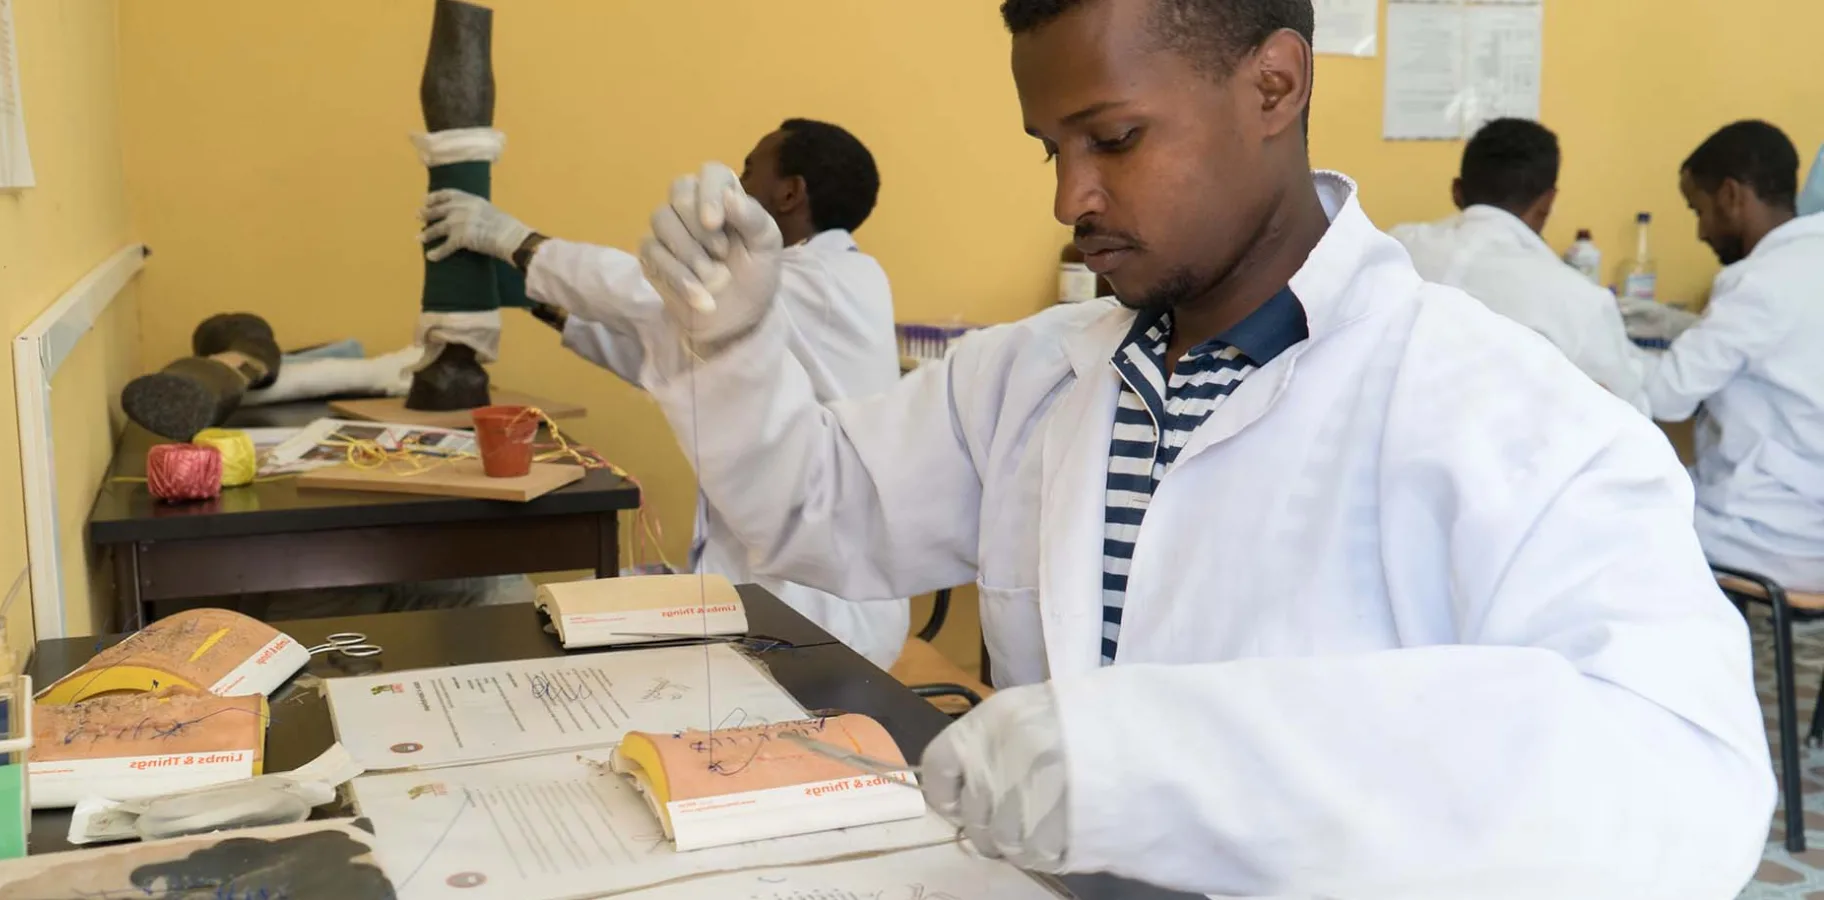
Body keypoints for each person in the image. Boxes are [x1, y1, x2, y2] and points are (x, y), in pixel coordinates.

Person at [628, 0, 1774, 895]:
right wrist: (732, 347)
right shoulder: (1035, 377)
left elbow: (1687, 783)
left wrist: (1164, 760)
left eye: (1114, 138)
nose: (1071, 195)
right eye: (1049, 149)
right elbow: (811, 511)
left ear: (1274, 84)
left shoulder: (1507, 414)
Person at [417, 119, 911, 668]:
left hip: (822, 617)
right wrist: (543, 303)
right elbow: (675, 357)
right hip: (781, 594)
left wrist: (514, 242)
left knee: (537, 624)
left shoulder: (824, 280)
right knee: (558, 612)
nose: (735, 184)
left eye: (748, 170)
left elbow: (650, 296)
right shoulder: (806, 290)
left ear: (789, 193)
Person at [1645, 120, 1824, 592]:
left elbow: (1666, 397)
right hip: (1811, 522)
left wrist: (1604, 368)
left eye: (1698, 209)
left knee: (1616, 508)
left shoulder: (1759, 281)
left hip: (1774, 539)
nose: (1701, 230)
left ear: (1730, 195)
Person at [1391, 118, 1650, 412]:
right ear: (1547, 202)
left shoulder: (1396, 247)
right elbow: (1630, 416)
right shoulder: (1579, 301)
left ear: (1457, 191)